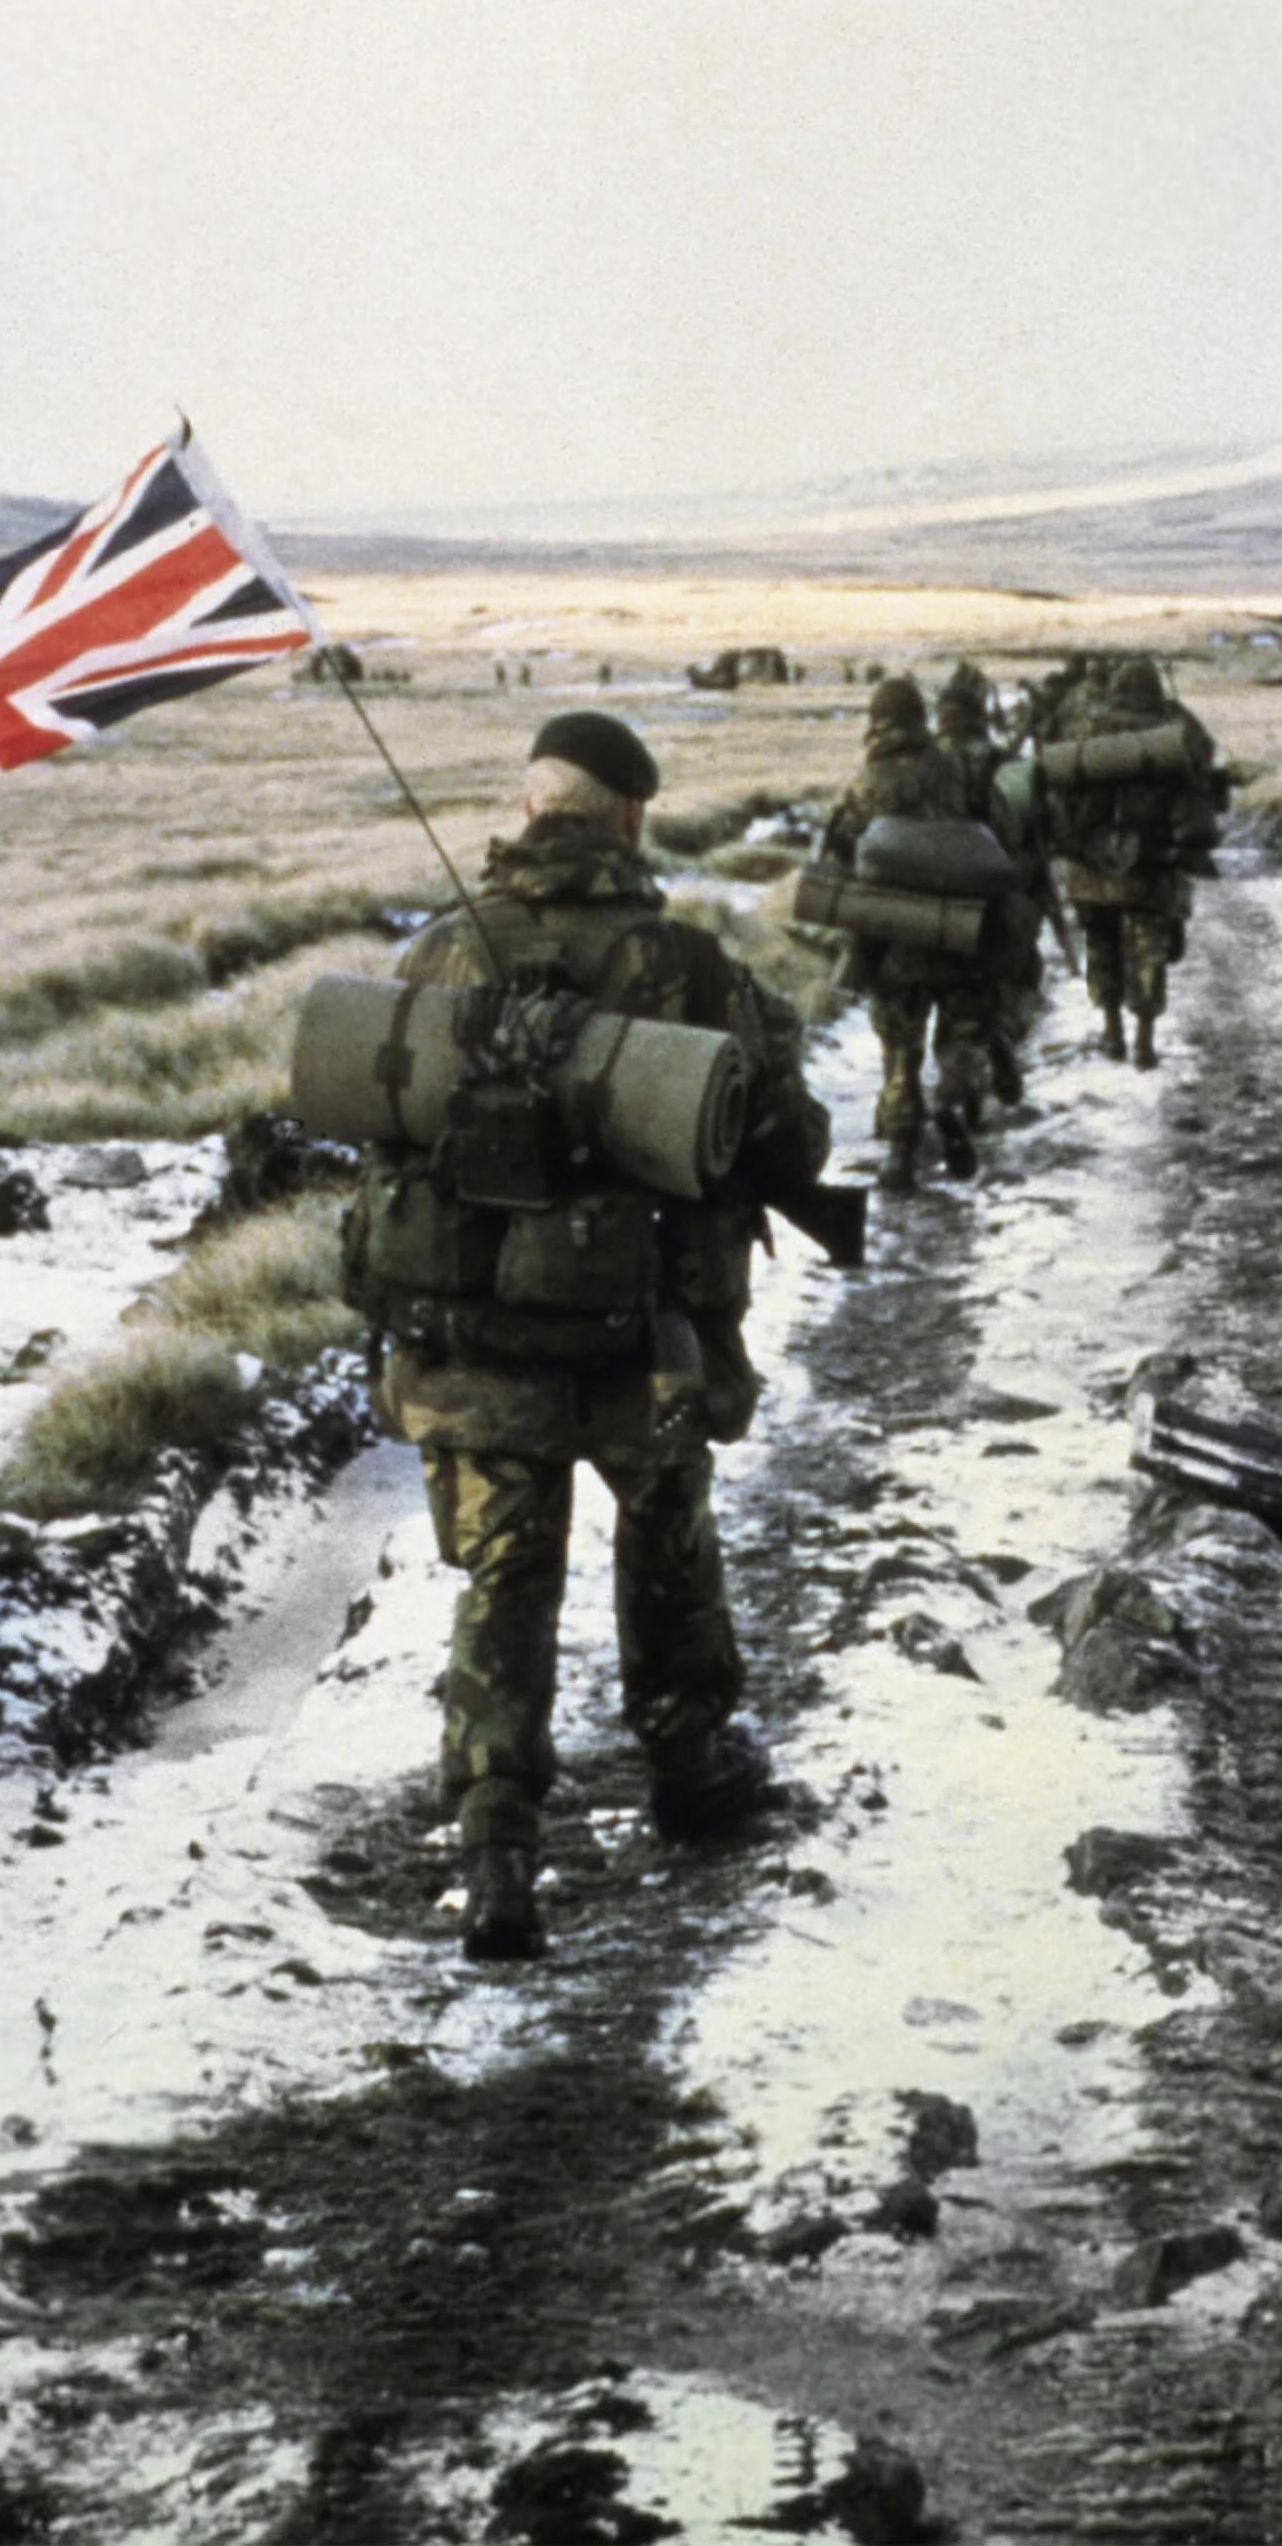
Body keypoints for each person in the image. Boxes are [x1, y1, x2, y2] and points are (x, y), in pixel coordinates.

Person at [344, 711, 833, 1961]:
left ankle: (499, 1835)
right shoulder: (693, 964)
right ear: (628, 817)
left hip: (476, 1341)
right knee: (666, 1532)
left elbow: (387, 1137)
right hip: (649, 1340)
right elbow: (791, 1145)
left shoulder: (438, 955)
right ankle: (688, 1764)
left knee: (506, 1571)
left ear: (528, 811)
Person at [819, 674, 976, 1192]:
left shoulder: (866, 782)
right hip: (953, 925)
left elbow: (834, 858)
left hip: (889, 936)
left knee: (900, 1049)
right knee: (955, 1026)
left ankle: (901, 1152)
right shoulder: (952, 770)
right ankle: (953, 1100)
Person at [1044, 656, 1224, 1067]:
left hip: (1092, 866)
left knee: (1101, 944)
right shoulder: (1173, 731)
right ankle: (1144, 1040)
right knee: (1149, 950)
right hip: (1152, 860)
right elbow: (1204, 760)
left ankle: (1112, 1032)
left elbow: (1059, 783)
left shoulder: (1090, 727)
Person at [932, 662, 1046, 1110]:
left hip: (932, 901)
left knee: (948, 997)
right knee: (1019, 976)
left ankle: (953, 1087)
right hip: (993, 903)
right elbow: (1026, 833)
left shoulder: (923, 766)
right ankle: (1001, 1036)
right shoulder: (1006, 766)